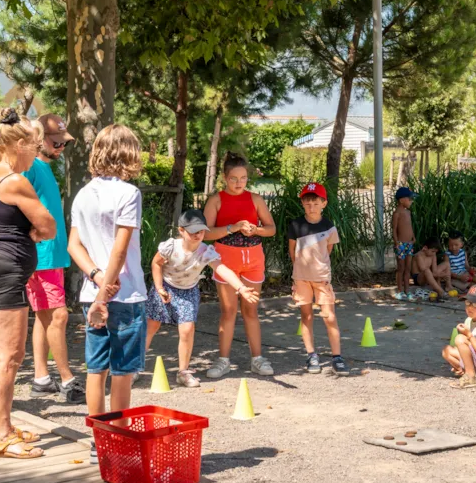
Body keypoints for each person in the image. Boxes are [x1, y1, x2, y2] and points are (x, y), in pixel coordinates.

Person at [0, 108, 56, 459]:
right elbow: (49, 225)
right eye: (34, 147)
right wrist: (36, 233)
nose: (36, 154)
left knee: (0, 355)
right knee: (9, 357)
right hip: (5, 273)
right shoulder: (14, 180)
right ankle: (2, 434)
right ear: (19, 144)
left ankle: (0, 427)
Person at [67, 125, 146, 464]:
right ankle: (120, 437)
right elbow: (119, 249)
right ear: (129, 153)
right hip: (124, 295)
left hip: (92, 291)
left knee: (95, 369)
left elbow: (74, 245)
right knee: (123, 372)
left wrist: (96, 280)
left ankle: (98, 440)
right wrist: (106, 292)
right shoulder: (129, 193)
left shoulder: (83, 194)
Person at [146, 210, 260, 388]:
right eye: (192, 231)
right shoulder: (171, 247)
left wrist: (242, 288)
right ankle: (135, 367)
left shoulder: (205, 251)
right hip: (166, 287)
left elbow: (222, 269)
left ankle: (183, 372)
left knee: (187, 329)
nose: (197, 235)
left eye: (200, 231)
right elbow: (156, 263)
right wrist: (159, 287)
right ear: (181, 231)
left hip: (188, 291)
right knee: (151, 326)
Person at [23, 114, 84, 404]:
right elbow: (18, 204)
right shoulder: (31, 167)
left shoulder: (44, 167)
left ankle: (41, 378)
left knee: (45, 316)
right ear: (38, 140)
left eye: (64, 143)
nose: (60, 147)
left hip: (51, 254)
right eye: (55, 142)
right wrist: (30, 236)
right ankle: (67, 379)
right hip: (42, 256)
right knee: (58, 315)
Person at [202, 152, 277, 379]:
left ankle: (257, 359)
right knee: (228, 312)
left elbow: (271, 229)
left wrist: (256, 230)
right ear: (225, 177)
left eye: (243, 178)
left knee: (250, 310)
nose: (239, 183)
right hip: (225, 261)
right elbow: (205, 234)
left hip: (253, 260)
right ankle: (223, 360)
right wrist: (231, 228)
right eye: (234, 178)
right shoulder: (216, 200)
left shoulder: (256, 199)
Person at [287, 182, 349, 376]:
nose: (311, 206)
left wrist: (318, 267)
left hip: (321, 278)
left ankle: (337, 357)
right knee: (306, 316)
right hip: (301, 278)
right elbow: (292, 251)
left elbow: (328, 250)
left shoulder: (329, 226)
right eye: (307, 203)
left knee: (329, 316)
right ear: (303, 204)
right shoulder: (295, 225)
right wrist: (300, 270)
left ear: (324, 203)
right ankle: (311, 354)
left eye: (315, 202)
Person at [442, 230, 476, 296]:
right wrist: (459, 277)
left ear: (461, 244)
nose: (453, 247)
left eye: (456, 245)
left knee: (475, 277)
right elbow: (447, 271)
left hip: (464, 273)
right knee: (469, 284)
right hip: (454, 276)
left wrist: (471, 269)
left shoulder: (463, 252)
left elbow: (466, 266)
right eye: (451, 245)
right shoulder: (447, 255)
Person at [392, 186, 416, 300]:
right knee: (401, 267)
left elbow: (410, 227)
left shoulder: (408, 212)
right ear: (401, 200)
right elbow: (394, 229)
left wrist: (413, 237)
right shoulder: (397, 213)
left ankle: (407, 290)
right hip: (400, 244)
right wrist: (396, 242)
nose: (411, 201)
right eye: (409, 199)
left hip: (409, 244)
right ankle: (400, 290)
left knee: (408, 268)